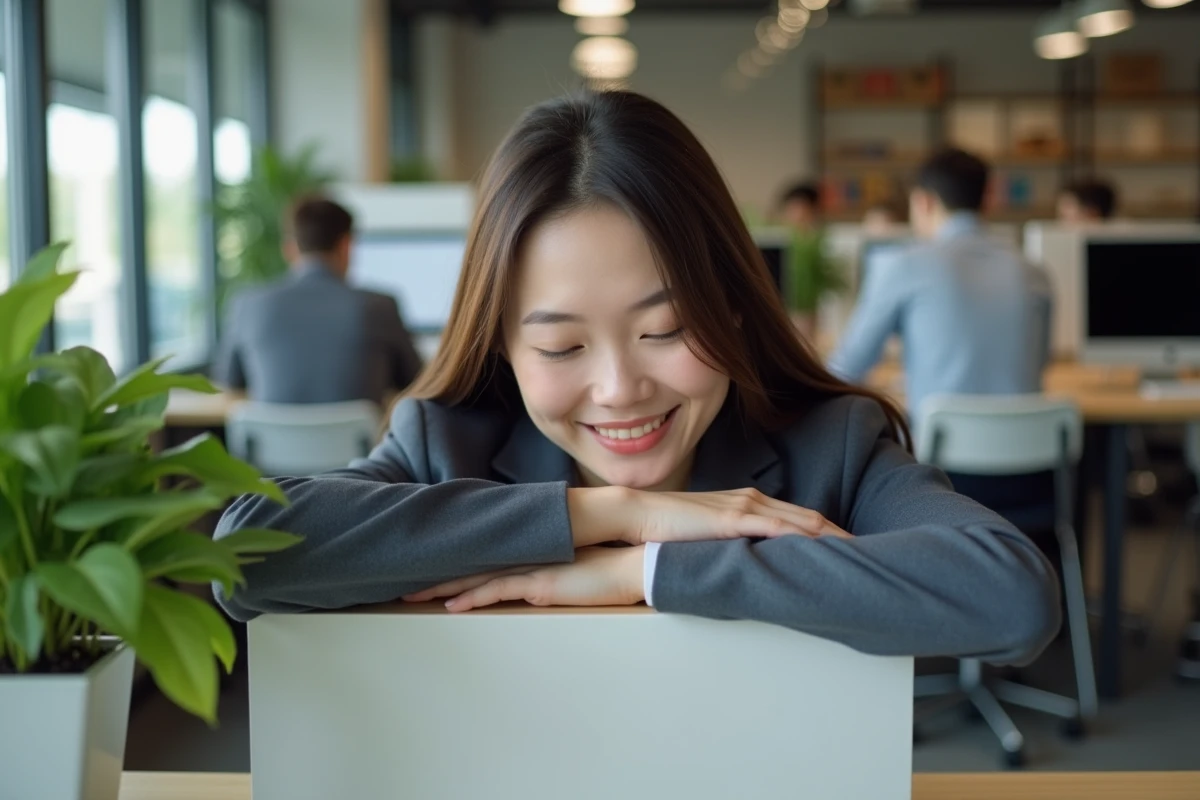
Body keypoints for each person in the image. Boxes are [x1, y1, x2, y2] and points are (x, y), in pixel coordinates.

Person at [214, 92, 1058, 667]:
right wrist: (612, 514)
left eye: (666, 329)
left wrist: (647, 570)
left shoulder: (827, 447)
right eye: (561, 348)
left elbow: (1009, 597)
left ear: (729, 306)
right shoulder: (448, 440)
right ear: (502, 346)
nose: (618, 387)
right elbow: (245, 556)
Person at [829, 148, 1052, 422]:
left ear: (923, 202)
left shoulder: (903, 265)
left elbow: (847, 369)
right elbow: (1038, 363)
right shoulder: (1034, 272)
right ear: (987, 200)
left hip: (937, 458)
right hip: (1029, 455)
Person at [212, 196, 423, 406]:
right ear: (346, 246)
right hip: (358, 439)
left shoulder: (248, 305)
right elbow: (416, 381)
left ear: (290, 248)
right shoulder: (379, 306)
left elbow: (230, 382)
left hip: (275, 439)